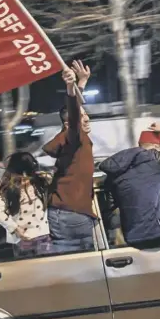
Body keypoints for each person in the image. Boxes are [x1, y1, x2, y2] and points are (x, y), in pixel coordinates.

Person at [99, 123, 160, 248]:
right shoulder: (155, 158)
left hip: (132, 238)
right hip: (156, 234)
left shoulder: (115, 170)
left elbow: (110, 207)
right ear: (157, 146)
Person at [42, 61, 96, 251]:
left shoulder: (70, 140)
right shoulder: (75, 137)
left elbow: (74, 114)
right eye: (83, 116)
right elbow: (73, 114)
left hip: (65, 212)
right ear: (70, 124)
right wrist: (71, 87)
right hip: (71, 213)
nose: (87, 118)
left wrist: (81, 83)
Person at [0, 152, 52, 257]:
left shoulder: (9, 188)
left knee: (27, 272)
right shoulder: (41, 182)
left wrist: (15, 228)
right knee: (44, 271)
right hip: (39, 236)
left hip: (26, 238)